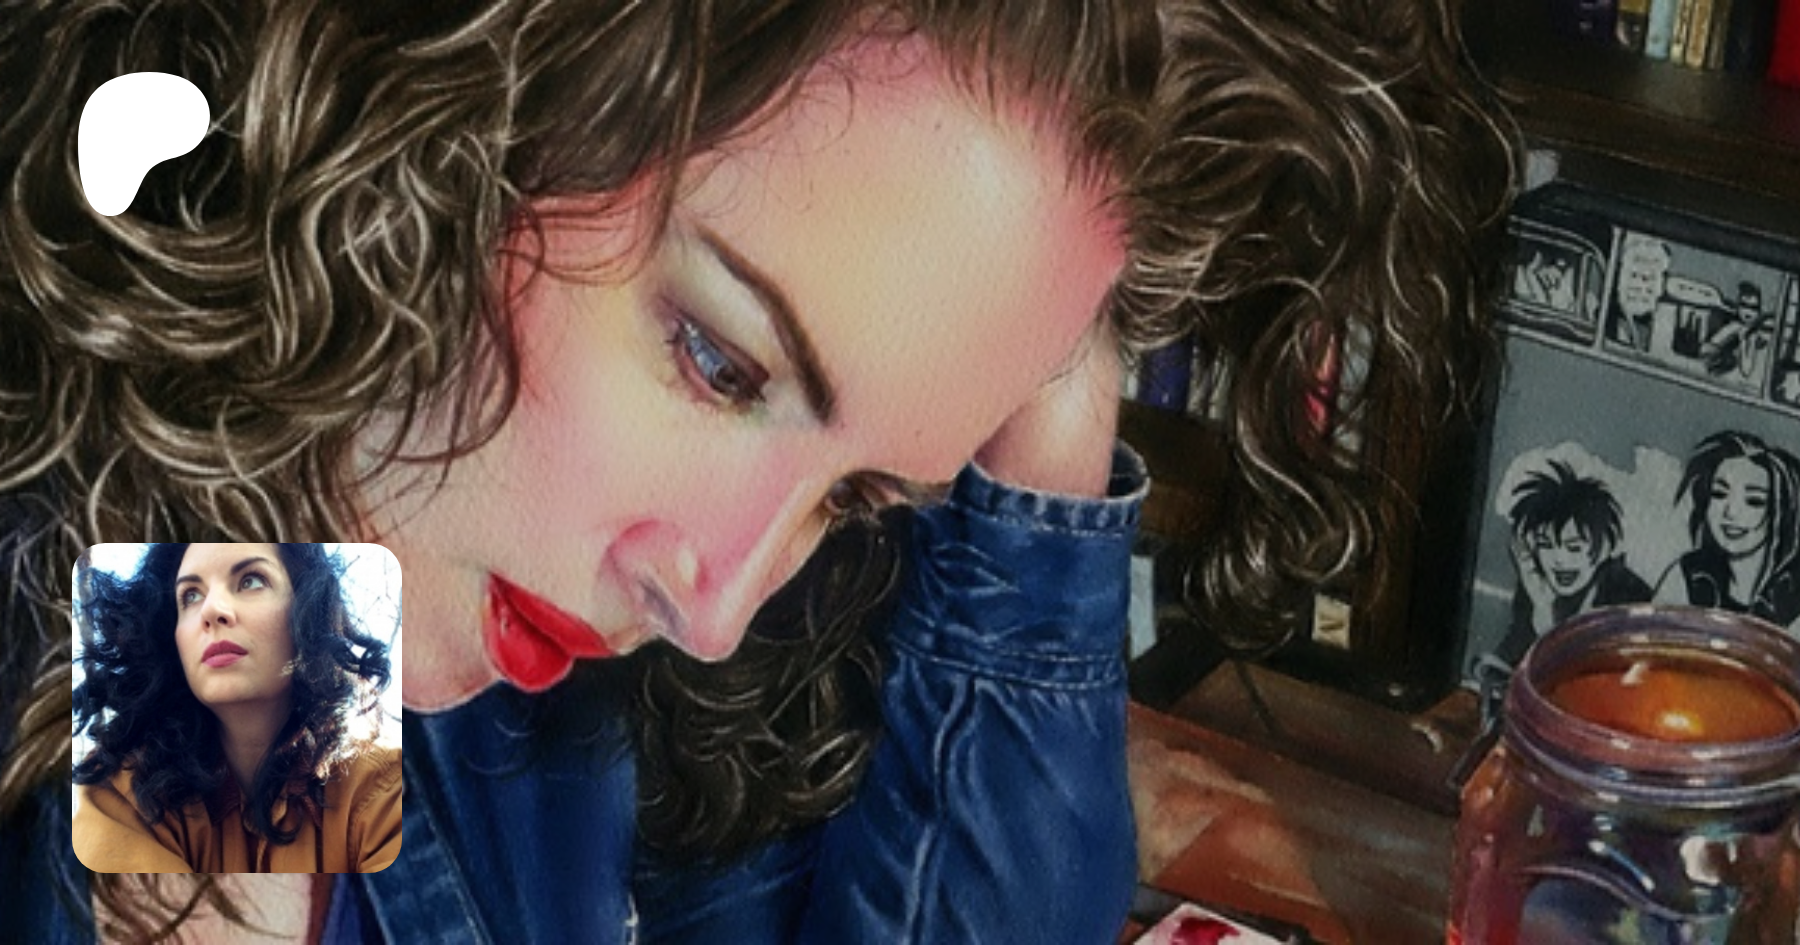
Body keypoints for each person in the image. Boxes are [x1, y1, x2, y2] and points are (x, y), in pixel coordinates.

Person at [0, 0, 1515, 941]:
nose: (716, 606)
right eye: (719, 362)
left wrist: (1045, 384)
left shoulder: (569, 643)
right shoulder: (216, 595)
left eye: (854, 493)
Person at [69, 543, 398, 874]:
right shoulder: (123, 793)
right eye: (191, 596)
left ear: (309, 611)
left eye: (251, 580)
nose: (211, 609)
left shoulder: (383, 789)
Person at [1494, 460, 1651, 666]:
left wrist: (1544, 615)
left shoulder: (1629, 594)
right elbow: (1511, 652)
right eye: (1546, 545)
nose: (1559, 560)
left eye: (1574, 547)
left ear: (1604, 548)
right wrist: (1541, 605)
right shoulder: (1535, 583)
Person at [1653, 431, 1800, 631]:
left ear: (1781, 512)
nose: (1730, 512)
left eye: (1754, 501)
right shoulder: (1687, 576)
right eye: (1719, 494)